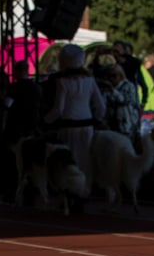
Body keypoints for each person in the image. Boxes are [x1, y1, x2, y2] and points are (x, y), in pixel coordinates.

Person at [42, 44, 106, 177]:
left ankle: (71, 190)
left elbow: (58, 109)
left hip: (67, 127)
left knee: (69, 162)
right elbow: (100, 106)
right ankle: (85, 189)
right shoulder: (89, 80)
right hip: (87, 126)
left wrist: (45, 121)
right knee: (85, 160)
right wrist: (97, 120)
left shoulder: (62, 81)